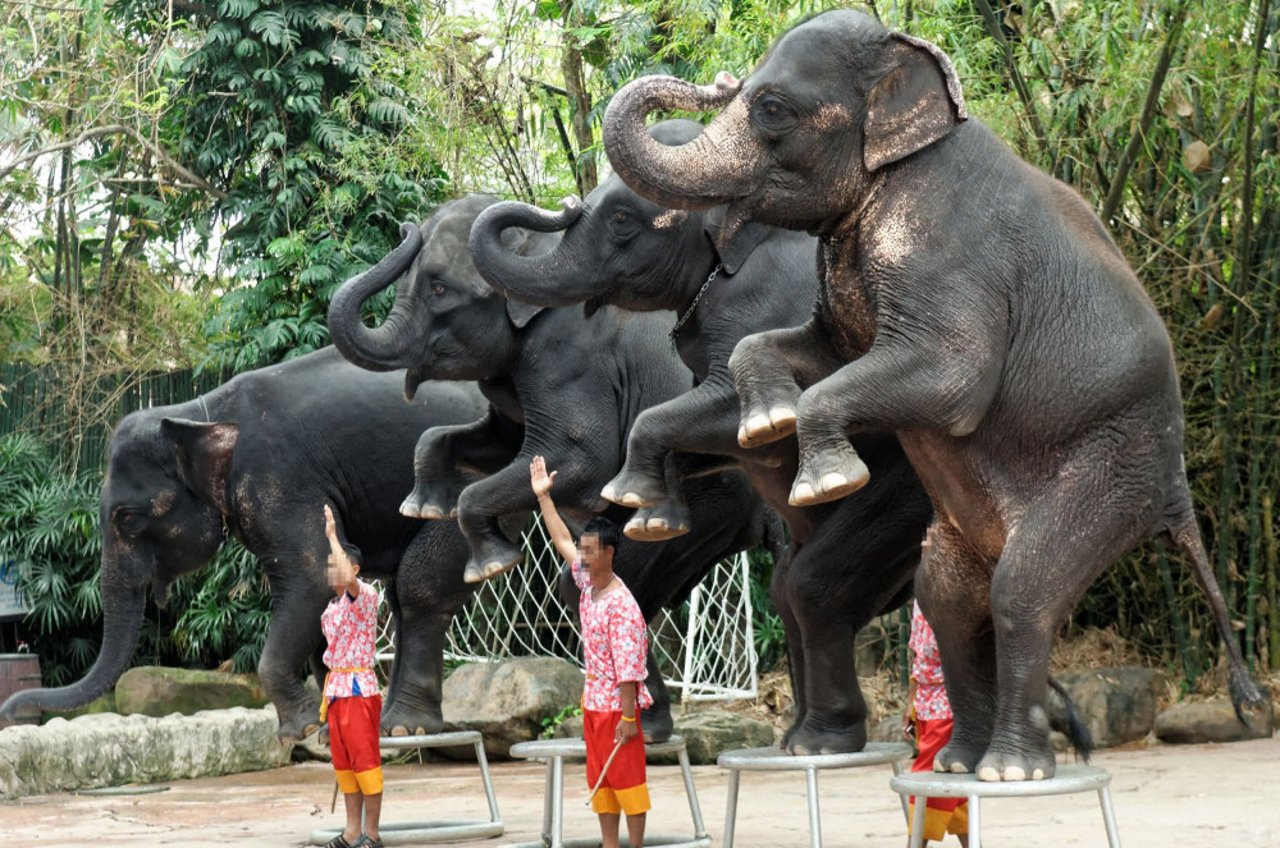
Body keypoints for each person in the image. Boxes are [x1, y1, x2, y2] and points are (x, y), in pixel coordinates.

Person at [530, 455, 651, 848]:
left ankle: (633, 845)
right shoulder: (587, 583)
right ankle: (609, 843)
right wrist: (544, 498)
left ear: (609, 553)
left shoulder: (622, 605)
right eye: (582, 549)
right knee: (601, 777)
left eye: (589, 550)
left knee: (627, 778)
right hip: (594, 702)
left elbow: (630, 669)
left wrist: (630, 717)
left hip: (619, 705)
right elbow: (561, 540)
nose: (580, 555)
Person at [321, 504, 384, 848]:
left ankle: (371, 833)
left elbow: (348, 580)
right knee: (345, 766)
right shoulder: (330, 608)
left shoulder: (366, 597)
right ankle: (350, 831)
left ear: (354, 568)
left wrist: (332, 535)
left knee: (366, 763)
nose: (331, 569)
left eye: (337, 563)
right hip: (337, 691)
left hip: (359, 689)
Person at [904, 596, 969, 847]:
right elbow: (919, 654)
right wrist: (912, 701)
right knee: (953, 788)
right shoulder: (922, 593)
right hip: (926, 702)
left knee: (927, 781)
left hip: (950, 702)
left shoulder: (958, 591)